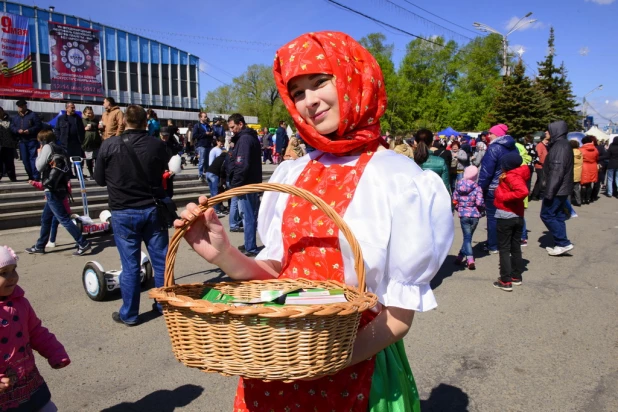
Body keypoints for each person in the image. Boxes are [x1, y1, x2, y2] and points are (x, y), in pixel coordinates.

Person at [177, 31, 453, 412]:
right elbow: (277, 275)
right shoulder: (292, 173)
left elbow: (399, 316)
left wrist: (323, 362)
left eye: (320, 82)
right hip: (278, 363)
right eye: (298, 92)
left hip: (355, 363)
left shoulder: (399, 178)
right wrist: (225, 255)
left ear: (354, 79)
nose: (309, 101)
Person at [94, 105, 170, 326]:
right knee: (161, 261)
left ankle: (130, 313)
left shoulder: (109, 145)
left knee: (130, 265)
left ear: (124, 121)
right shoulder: (157, 145)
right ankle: (164, 304)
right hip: (151, 208)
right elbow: (162, 170)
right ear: (146, 121)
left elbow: (99, 179)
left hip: (123, 210)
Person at [0, 246, 70, 411]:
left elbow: (36, 331)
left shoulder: (21, 303)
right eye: (3, 272)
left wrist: (55, 351)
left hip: (28, 380)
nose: (12, 277)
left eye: (14, 269)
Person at [25, 130, 91, 256]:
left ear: (42, 139)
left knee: (64, 219)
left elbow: (39, 167)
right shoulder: (60, 149)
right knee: (46, 218)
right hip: (60, 187)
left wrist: (39, 154)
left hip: (51, 188)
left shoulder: (47, 148)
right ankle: (40, 245)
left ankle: (83, 242)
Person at [492, 151, 529, 292]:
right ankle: (515, 275)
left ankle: (505, 279)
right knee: (515, 246)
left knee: (505, 248)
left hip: (506, 215)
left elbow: (522, 191)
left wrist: (503, 195)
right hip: (517, 215)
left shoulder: (512, 176)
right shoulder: (517, 174)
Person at [227, 113, 262, 257]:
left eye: (233, 127)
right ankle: (250, 243)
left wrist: (235, 184)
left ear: (240, 124)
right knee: (249, 215)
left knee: (248, 216)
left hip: (246, 183)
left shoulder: (245, 139)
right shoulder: (247, 138)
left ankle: (251, 247)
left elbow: (242, 164)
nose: (232, 130)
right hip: (249, 182)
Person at [478, 123, 516, 254]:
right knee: (507, 216)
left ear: (497, 134)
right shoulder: (513, 147)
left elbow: (486, 171)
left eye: (491, 133)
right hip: (510, 185)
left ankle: (493, 245)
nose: (488, 135)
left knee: (493, 217)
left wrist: (480, 188)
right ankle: (506, 243)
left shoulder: (494, 148)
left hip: (494, 187)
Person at [540, 120, 574, 256]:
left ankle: (563, 242)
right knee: (558, 215)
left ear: (556, 131)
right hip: (561, 188)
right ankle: (560, 243)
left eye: (548, 130)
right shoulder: (562, 144)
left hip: (557, 188)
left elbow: (556, 171)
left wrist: (549, 191)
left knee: (547, 215)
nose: (546, 133)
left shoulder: (559, 146)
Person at [453, 166, 484, 270]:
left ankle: (460, 256)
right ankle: (470, 258)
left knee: (467, 237)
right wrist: (482, 208)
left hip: (463, 215)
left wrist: (459, 208)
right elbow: (479, 202)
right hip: (474, 215)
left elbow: (454, 200)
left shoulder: (458, 186)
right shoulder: (477, 187)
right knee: (468, 237)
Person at [28, 178, 72, 249]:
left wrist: (34, 183)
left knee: (62, 222)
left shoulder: (58, 177)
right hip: (57, 203)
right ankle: (46, 242)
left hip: (58, 204)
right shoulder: (64, 180)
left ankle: (81, 241)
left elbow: (45, 184)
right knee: (51, 222)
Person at [10, 100, 42, 181]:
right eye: (19, 107)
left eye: (22, 106)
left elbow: (38, 125)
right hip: (22, 141)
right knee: (25, 160)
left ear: (25, 106)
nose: (21, 108)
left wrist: (29, 131)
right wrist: (17, 130)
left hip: (32, 140)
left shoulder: (33, 115)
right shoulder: (16, 117)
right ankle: (30, 175)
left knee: (33, 158)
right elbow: (12, 127)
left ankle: (36, 176)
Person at [414, 128, 450, 193]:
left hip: (415, 201)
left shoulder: (409, 161)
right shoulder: (441, 162)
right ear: (432, 143)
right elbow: (446, 188)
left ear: (415, 142)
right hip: (435, 200)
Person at [54, 102, 85, 177]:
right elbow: (57, 130)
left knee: (78, 159)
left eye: (74, 107)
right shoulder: (61, 118)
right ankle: (69, 174)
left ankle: (78, 174)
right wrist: (59, 139)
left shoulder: (77, 118)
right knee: (67, 160)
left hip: (76, 142)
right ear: (67, 108)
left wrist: (82, 138)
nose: (73, 109)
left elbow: (81, 129)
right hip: (65, 143)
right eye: (72, 107)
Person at [192, 112, 214, 182]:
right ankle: (200, 174)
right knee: (202, 160)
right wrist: (205, 134)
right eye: (204, 117)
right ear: (200, 118)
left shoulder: (208, 126)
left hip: (208, 145)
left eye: (206, 116)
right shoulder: (197, 126)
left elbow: (211, 134)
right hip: (201, 145)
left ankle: (207, 174)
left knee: (207, 161)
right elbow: (194, 135)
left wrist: (211, 134)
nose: (206, 118)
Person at [81, 106, 102, 180]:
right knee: (89, 159)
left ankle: (97, 173)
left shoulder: (95, 120)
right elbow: (79, 130)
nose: (90, 114)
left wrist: (100, 127)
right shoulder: (82, 120)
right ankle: (91, 173)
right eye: (88, 113)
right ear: (84, 113)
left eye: (91, 112)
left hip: (96, 141)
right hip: (87, 142)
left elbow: (99, 128)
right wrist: (84, 129)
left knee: (97, 158)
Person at [580, 135, 599, 205]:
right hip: (593, 166)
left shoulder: (581, 149)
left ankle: (582, 199)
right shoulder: (595, 149)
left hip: (584, 166)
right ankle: (588, 199)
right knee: (590, 184)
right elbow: (597, 158)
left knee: (583, 184)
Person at [530, 133, 549, 201]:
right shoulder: (540, 145)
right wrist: (542, 162)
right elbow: (538, 155)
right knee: (540, 180)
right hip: (540, 165)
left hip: (544, 165)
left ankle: (535, 194)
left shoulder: (545, 145)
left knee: (540, 180)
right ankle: (535, 195)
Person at [0, 107, 17, 182]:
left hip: (9, 144)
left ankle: (12, 177)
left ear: (3, 111)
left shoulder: (10, 120)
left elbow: (14, 130)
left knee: (9, 162)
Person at [571, 139, 583, 206]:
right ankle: (579, 201)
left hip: (570, 173)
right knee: (576, 188)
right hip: (578, 173)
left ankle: (568, 201)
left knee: (569, 189)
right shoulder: (580, 153)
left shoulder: (569, 153)